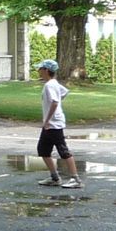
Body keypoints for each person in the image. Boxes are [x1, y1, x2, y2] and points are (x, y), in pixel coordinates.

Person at [35, 58, 82, 189]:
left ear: (46, 70)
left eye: (40, 69)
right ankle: (54, 177)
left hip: (53, 124)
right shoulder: (53, 83)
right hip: (50, 124)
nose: (38, 71)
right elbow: (64, 92)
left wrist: (47, 120)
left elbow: (55, 102)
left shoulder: (49, 85)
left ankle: (76, 179)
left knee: (63, 151)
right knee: (43, 150)